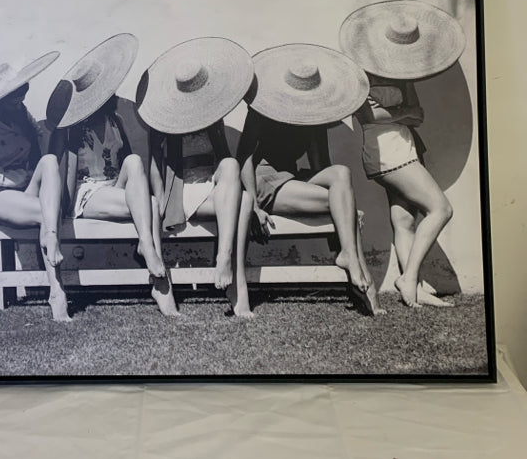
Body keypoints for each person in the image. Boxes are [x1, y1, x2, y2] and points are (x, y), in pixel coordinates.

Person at [238, 42, 382, 316]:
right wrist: (253, 204)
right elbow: (243, 157)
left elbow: (322, 168)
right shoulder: (261, 110)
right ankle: (365, 285)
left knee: (342, 173)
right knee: (345, 207)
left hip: (292, 178)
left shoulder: (315, 116)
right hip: (265, 179)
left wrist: (344, 201)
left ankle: (349, 257)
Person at [340, 0, 465, 309]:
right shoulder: (361, 73)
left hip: (406, 146)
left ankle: (416, 286)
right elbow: (368, 117)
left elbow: (417, 115)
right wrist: (402, 112)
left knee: (404, 219)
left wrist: (393, 112)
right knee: (441, 209)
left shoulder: (403, 75)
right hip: (385, 153)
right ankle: (408, 278)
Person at [46, 34, 178, 318]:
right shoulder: (70, 129)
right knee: (151, 207)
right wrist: (66, 211)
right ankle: (161, 283)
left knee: (133, 163)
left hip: (113, 187)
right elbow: (57, 171)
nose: (113, 95)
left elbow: (129, 169)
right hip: (86, 194)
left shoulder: (114, 121)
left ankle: (147, 248)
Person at [136, 37, 255, 318]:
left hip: (212, 188)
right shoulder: (163, 121)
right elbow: (154, 164)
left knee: (232, 171)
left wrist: (257, 207)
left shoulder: (212, 118)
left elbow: (228, 163)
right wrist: (161, 200)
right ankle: (237, 288)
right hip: (182, 191)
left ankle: (224, 259)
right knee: (244, 201)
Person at [0, 52, 73, 322]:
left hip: (24, 189)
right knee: (46, 212)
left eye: (24, 90)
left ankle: (51, 236)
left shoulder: (21, 116)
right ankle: (58, 292)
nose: (21, 98)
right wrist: (24, 176)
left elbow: (40, 145)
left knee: (50, 160)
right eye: (15, 94)